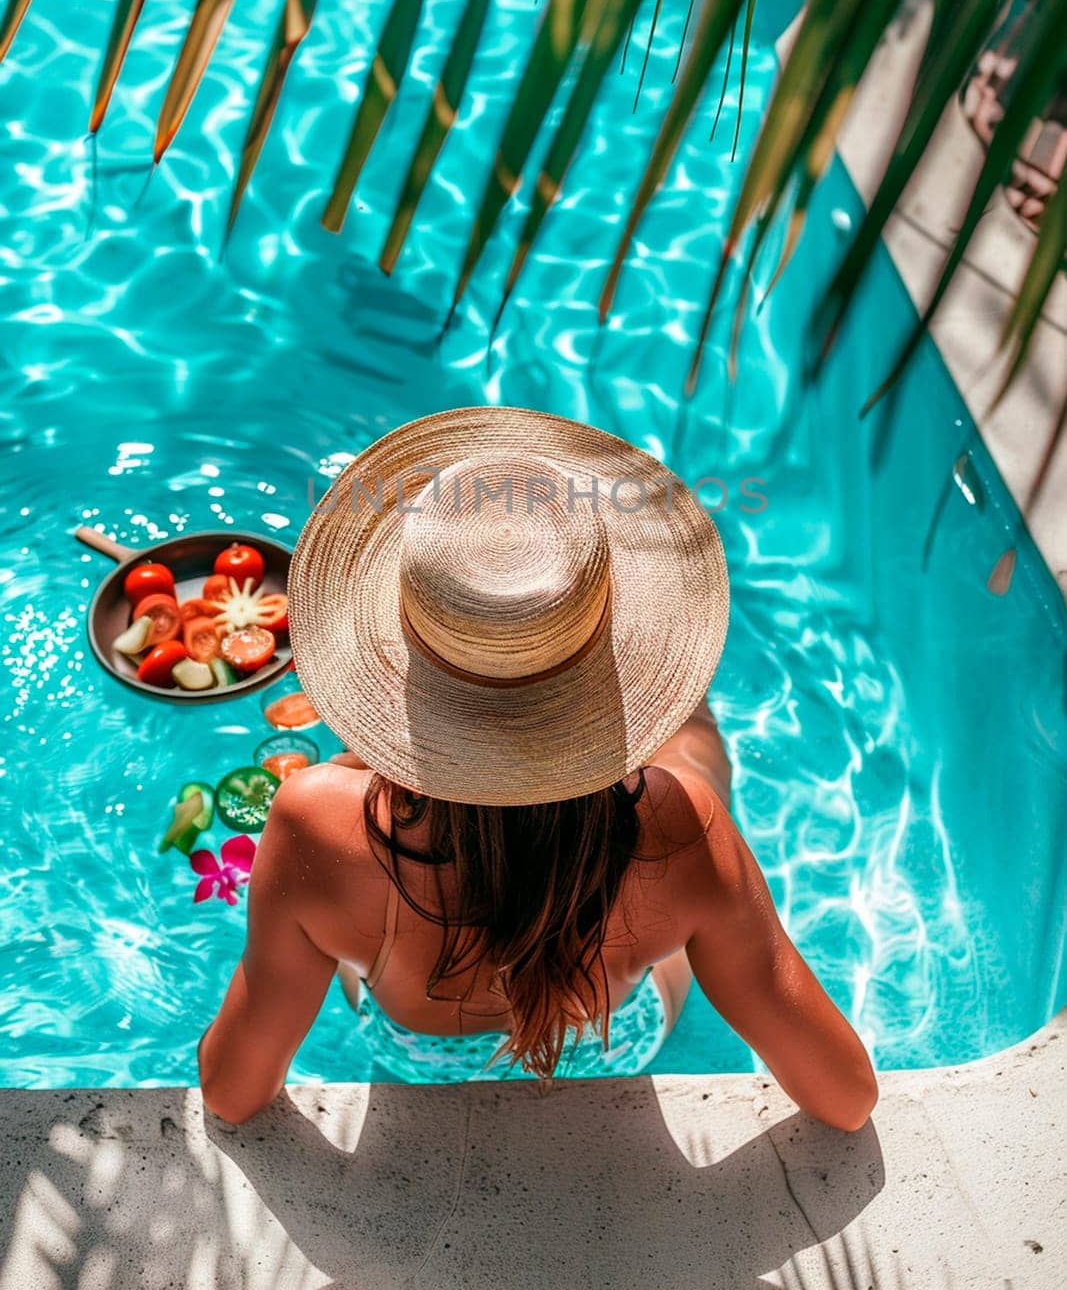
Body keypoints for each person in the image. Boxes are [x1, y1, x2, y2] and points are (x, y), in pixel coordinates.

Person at [199, 406, 877, 1131]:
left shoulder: (311, 818)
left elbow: (232, 1094)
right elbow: (845, 1097)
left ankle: (449, 728)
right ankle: (612, 706)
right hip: (615, 1044)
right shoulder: (682, 825)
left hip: (416, 1056)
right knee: (690, 754)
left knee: (349, 797)